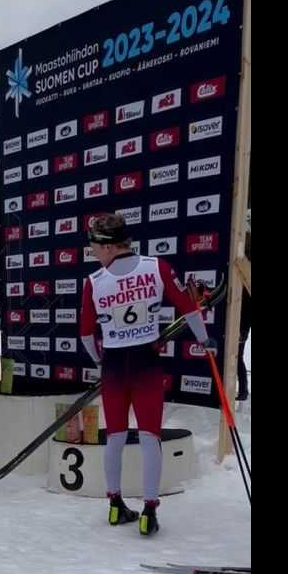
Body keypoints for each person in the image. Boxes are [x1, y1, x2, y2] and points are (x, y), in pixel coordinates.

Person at [78, 214, 214, 534]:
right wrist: (204, 341)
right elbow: (188, 308)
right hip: (146, 365)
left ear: (109, 246)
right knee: (150, 437)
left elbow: (85, 335)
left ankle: (115, 505)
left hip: (114, 367)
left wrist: (99, 360)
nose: (94, 253)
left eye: (94, 247)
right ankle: (149, 512)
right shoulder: (157, 267)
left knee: (115, 437)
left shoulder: (94, 281)